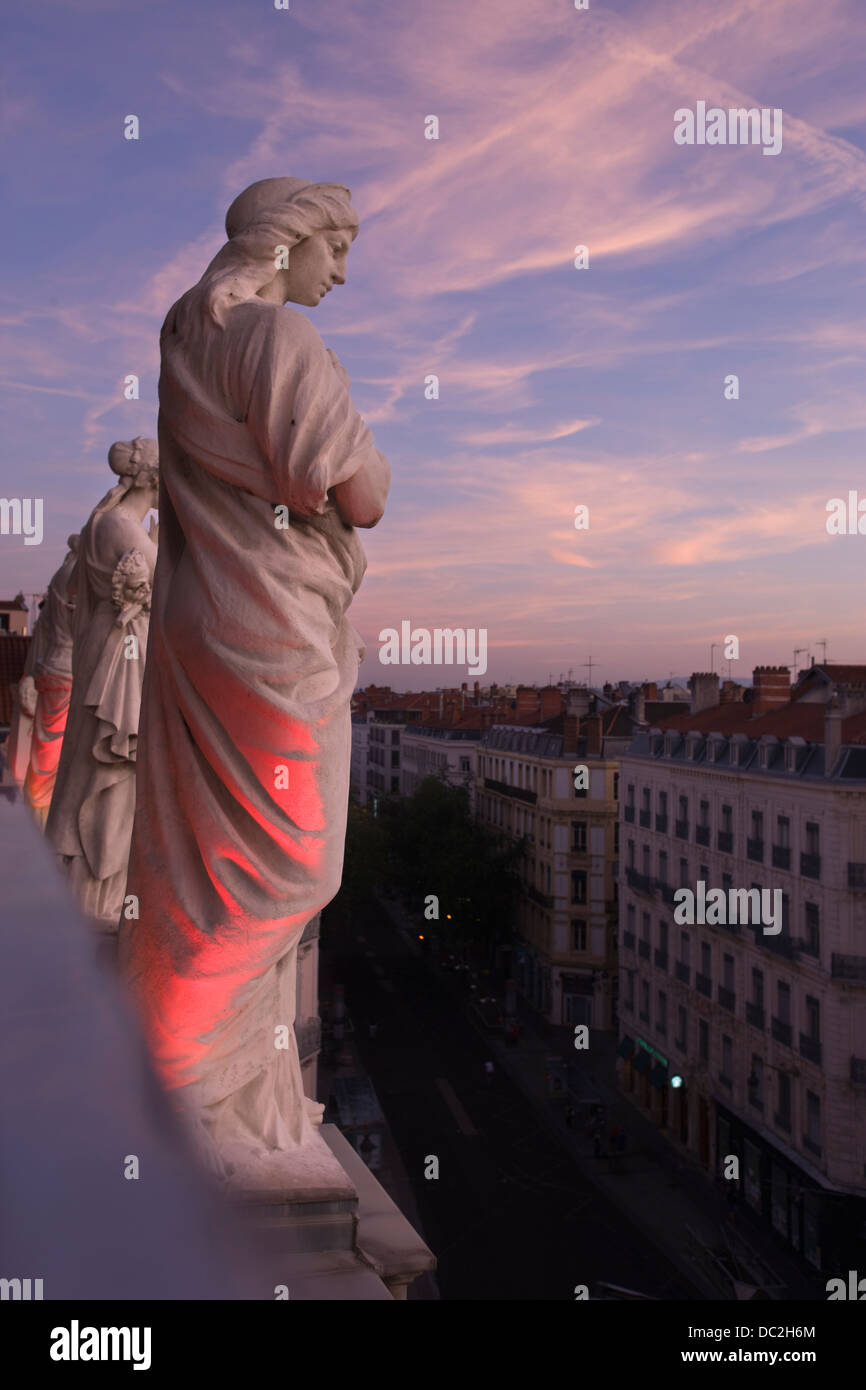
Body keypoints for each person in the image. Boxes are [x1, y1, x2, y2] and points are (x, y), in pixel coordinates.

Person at [119, 179, 390, 1180]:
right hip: (271, 626)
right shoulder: (279, 344)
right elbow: (357, 494)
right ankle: (170, 1085)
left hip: (209, 621)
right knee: (288, 869)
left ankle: (202, 1082)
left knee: (199, 868)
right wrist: (372, 451)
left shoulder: (187, 341)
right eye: (336, 247)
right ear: (289, 244)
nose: (343, 270)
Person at [47, 441, 159, 932]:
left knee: (111, 774)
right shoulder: (118, 527)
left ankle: (100, 886)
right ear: (152, 478)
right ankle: (94, 894)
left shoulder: (117, 524)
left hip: (121, 654)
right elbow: (156, 588)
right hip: (121, 660)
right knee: (109, 771)